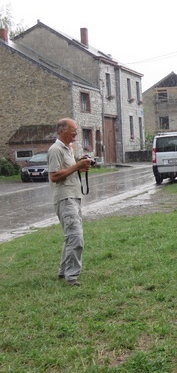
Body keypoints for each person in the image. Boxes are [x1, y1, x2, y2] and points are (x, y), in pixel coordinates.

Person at [48, 118, 93, 286]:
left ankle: (63, 271)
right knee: (75, 237)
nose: (76, 132)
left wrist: (80, 165)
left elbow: (67, 171)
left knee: (71, 236)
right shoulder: (55, 150)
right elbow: (54, 176)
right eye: (73, 129)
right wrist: (76, 166)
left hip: (74, 196)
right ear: (62, 131)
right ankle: (72, 277)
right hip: (64, 198)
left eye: (76, 129)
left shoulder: (68, 149)